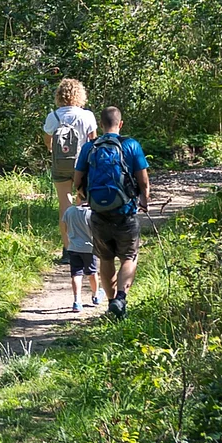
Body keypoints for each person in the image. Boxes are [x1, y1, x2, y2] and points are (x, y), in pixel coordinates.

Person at [75, 105, 152, 319]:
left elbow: (77, 180)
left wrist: (86, 197)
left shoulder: (89, 148)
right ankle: (120, 299)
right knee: (129, 256)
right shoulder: (131, 145)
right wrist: (144, 201)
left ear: (101, 125)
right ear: (121, 124)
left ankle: (111, 305)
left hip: (99, 213)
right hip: (125, 211)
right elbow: (143, 181)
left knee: (106, 258)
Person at [43, 79, 96, 207]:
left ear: (59, 95)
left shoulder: (53, 116)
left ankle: (65, 227)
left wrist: (52, 149)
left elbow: (47, 140)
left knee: (64, 204)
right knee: (84, 200)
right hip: (82, 164)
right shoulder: (87, 115)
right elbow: (94, 141)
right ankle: (81, 226)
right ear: (80, 95)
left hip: (60, 163)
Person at [61, 186, 100, 311]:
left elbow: (65, 229)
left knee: (76, 274)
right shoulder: (92, 214)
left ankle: (77, 301)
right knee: (92, 273)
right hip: (89, 248)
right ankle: (96, 295)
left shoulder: (69, 211)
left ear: (78, 198)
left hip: (73, 248)